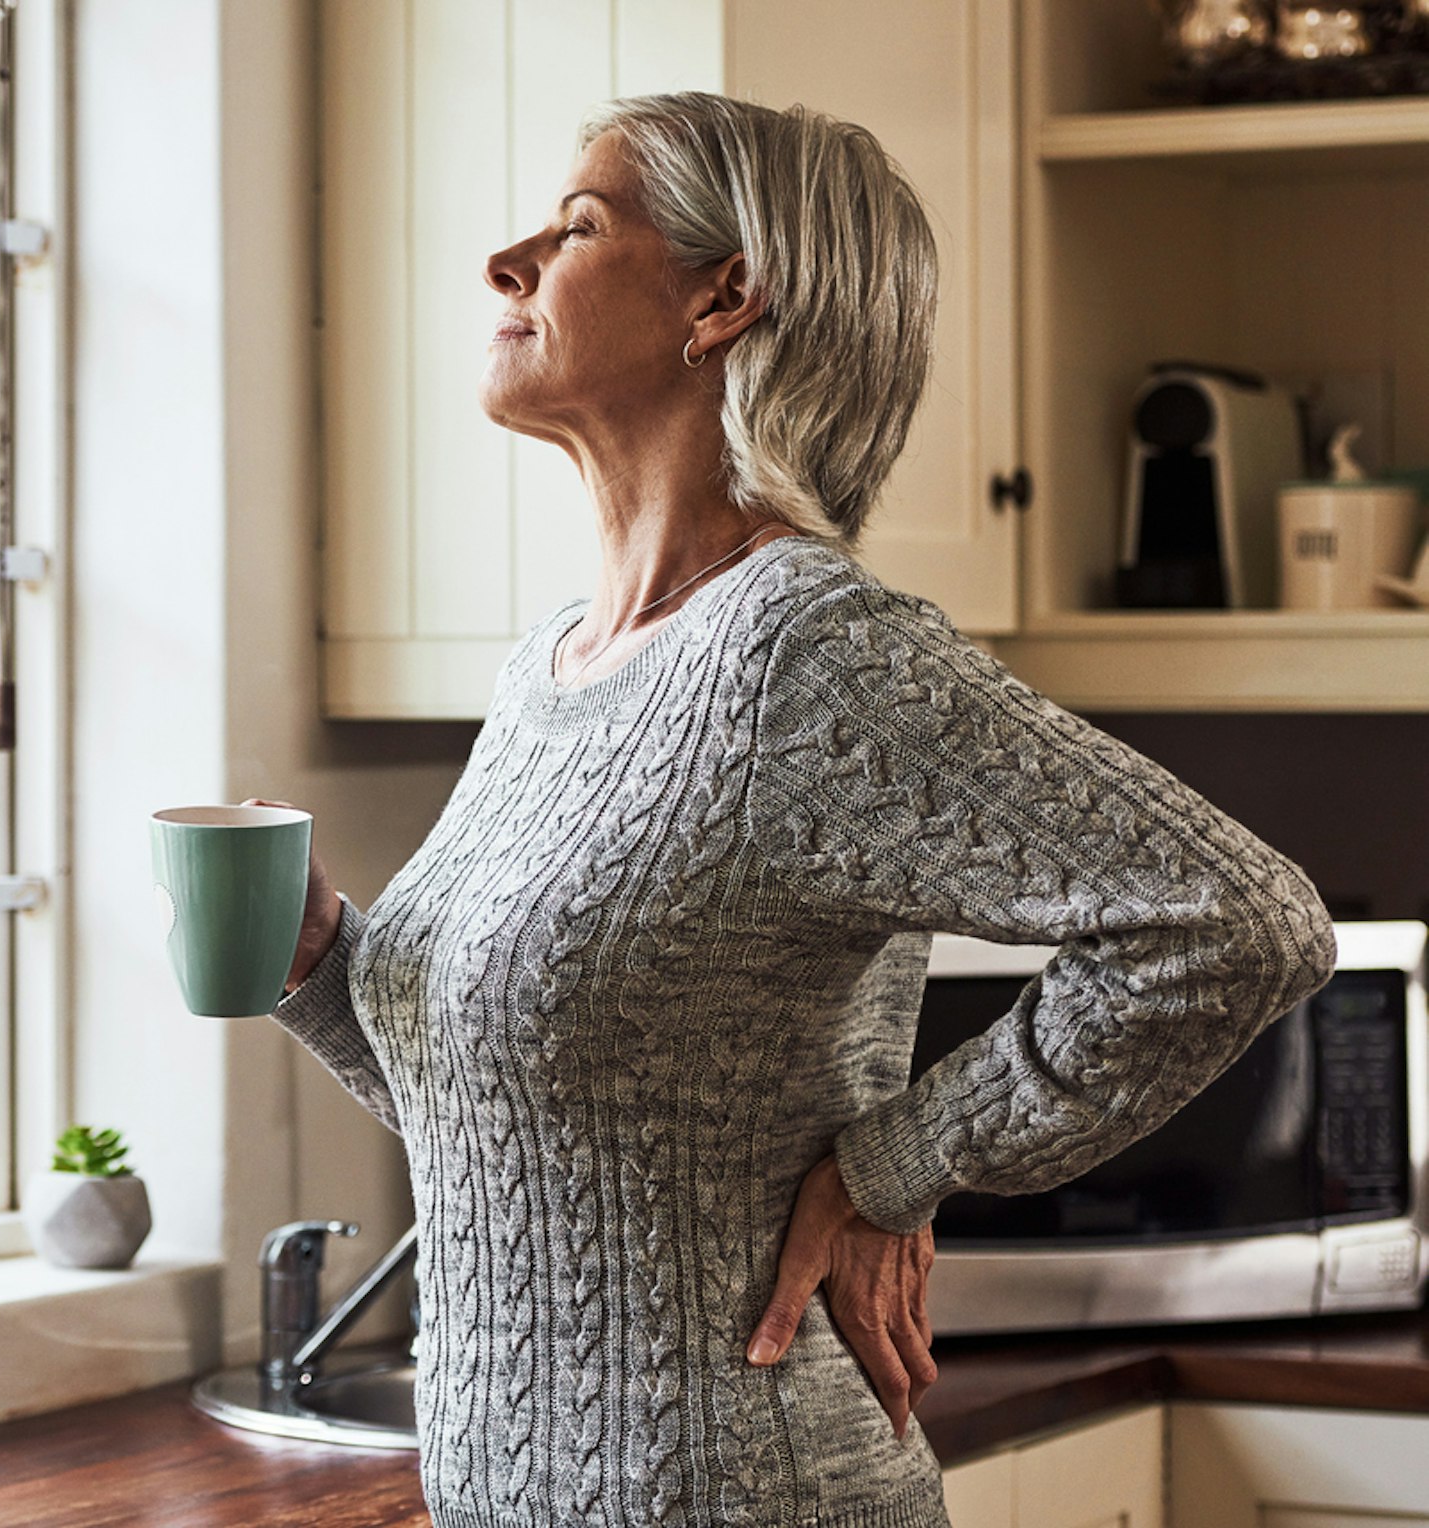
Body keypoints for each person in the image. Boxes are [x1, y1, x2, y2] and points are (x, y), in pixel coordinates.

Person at [251, 90, 1336, 1528]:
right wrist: (326, 971)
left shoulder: (804, 653)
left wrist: (895, 1165)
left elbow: (1239, 922)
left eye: (575, 227)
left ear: (725, 297)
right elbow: (538, 1139)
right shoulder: (550, 670)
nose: (504, 263)